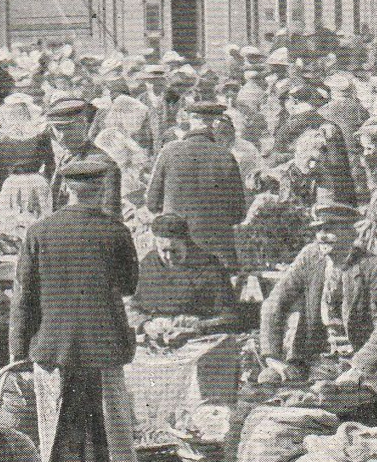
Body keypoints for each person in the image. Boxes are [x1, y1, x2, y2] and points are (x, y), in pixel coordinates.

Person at [9, 158, 141, 462]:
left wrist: (17, 353)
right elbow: (129, 285)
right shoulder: (116, 231)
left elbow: (23, 298)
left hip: (53, 346)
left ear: (66, 189)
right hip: (105, 345)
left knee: (61, 426)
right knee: (111, 427)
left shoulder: (38, 232)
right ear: (101, 189)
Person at [257, 203, 377, 441]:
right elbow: (274, 304)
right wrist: (272, 357)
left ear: (351, 233)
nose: (322, 236)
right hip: (319, 360)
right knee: (264, 386)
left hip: (363, 361)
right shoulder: (310, 257)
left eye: (330, 229)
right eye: (318, 229)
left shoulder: (371, 267)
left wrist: (358, 368)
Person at [144, 97, 246, 272]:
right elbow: (238, 213)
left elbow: (152, 203)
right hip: (216, 251)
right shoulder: (225, 156)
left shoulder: (169, 152)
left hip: (175, 247)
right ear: (215, 124)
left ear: (190, 121)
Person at [129, 213, 240, 332]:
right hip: (157, 339)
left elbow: (230, 316)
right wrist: (147, 325)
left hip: (199, 338)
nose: (169, 257)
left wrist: (200, 324)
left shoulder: (209, 266)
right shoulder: (148, 265)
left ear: (186, 243)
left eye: (175, 251)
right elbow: (133, 309)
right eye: (164, 251)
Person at [46, 99, 124, 218]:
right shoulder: (66, 157)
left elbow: (112, 217)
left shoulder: (101, 162)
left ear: (84, 125)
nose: (62, 136)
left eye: (69, 128)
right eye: (58, 129)